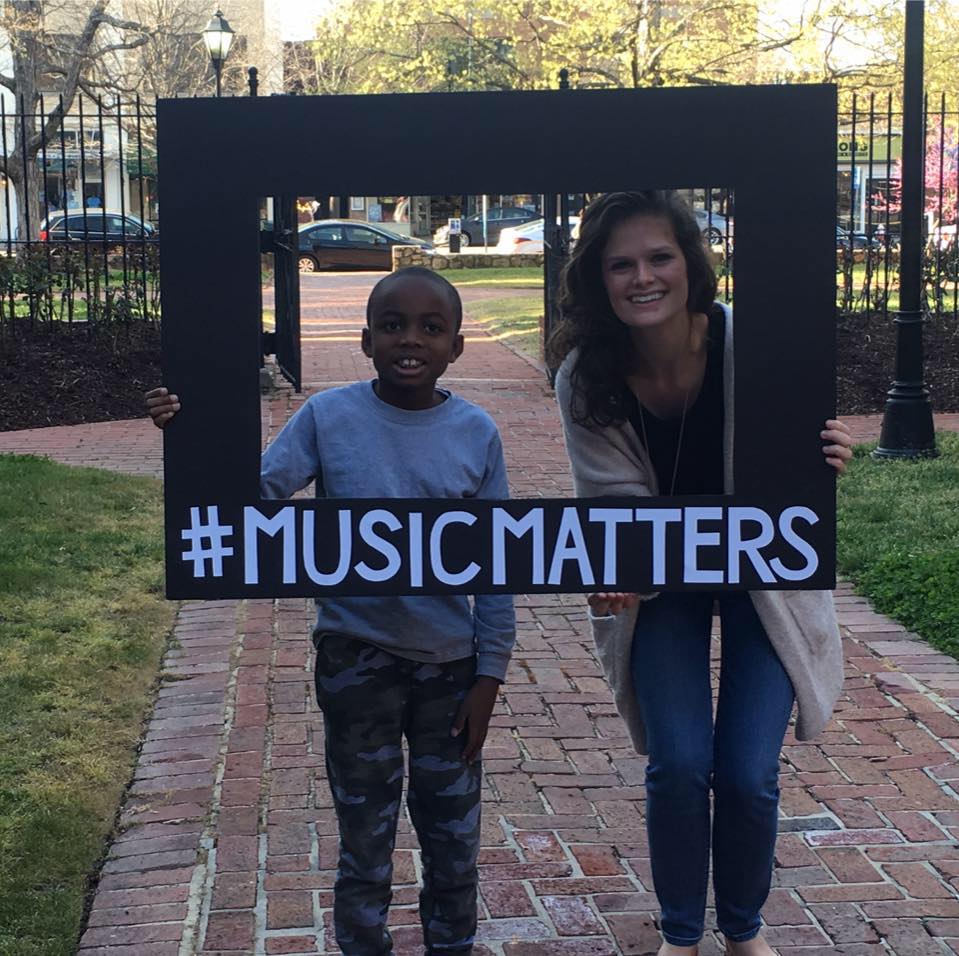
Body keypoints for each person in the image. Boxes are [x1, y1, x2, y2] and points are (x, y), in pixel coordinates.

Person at [146, 267, 516, 956]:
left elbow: (499, 566)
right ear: (365, 339)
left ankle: (451, 946)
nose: (410, 340)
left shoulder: (476, 433)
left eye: (430, 328)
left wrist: (489, 676)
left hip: (450, 668)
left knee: (453, 838)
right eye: (393, 325)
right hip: (355, 659)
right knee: (364, 833)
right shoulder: (328, 417)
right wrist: (185, 432)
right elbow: (249, 498)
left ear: (456, 347)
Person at [548, 191, 853, 956]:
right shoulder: (586, 375)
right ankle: (680, 936)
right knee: (679, 762)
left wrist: (824, 459)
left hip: (763, 581)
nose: (641, 277)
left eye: (658, 257)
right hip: (660, 583)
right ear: (597, 279)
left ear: (690, 263)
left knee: (747, 772)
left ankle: (742, 933)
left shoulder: (751, 345)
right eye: (620, 264)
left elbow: (793, 473)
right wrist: (616, 567)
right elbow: (613, 506)